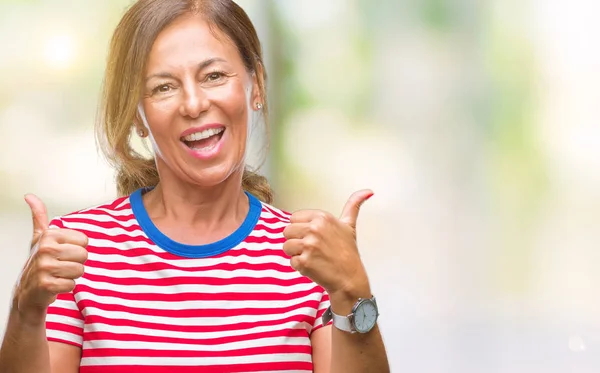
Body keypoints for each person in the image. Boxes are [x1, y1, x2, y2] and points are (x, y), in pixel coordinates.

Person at [0, 0, 390, 372]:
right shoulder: (79, 251)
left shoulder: (308, 257)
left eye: (214, 76)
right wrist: (25, 310)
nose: (193, 103)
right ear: (137, 116)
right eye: (164, 87)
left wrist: (352, 291)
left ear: (256, 87)